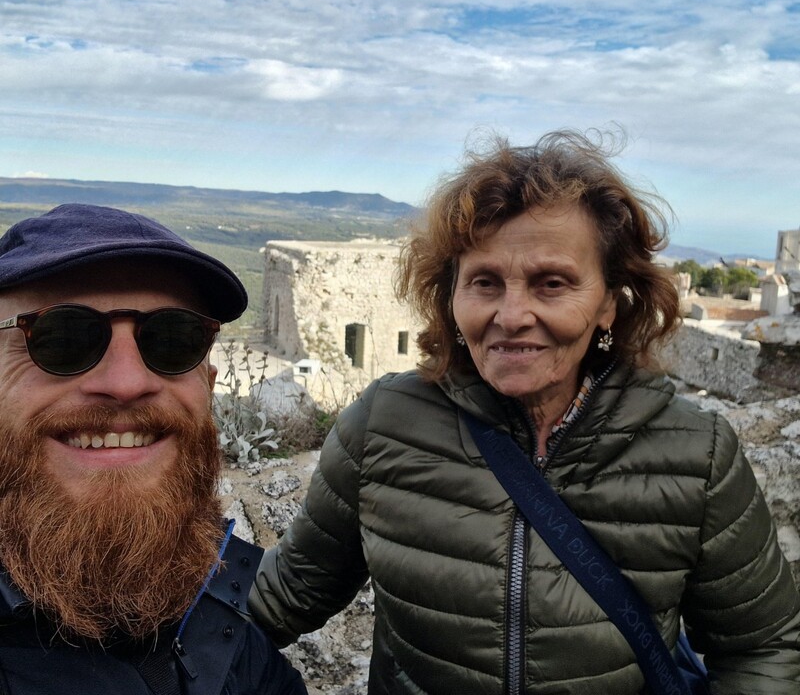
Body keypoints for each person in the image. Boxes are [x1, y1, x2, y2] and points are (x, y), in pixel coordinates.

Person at [249, 130, 800, 694]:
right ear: (451, 296)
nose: (512, 316)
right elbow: (287, 595)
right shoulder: (384, 424)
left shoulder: (697, 454)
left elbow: (762, 647)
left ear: (609, 302)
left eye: (552, 283)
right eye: (484, 282)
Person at [0, 203, 307, 695]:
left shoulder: (235, 640)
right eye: (61, 338)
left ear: (208, 384)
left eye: (173, 339)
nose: (127, 383)